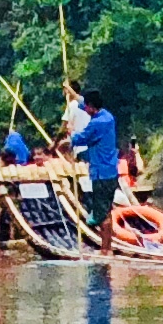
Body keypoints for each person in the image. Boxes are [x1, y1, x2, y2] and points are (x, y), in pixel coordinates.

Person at [69, 90, 126, 230]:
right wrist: (70, 92)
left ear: (91, 106)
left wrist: (70, 132)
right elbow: (83, 103)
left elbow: (80, 139)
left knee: (102, 214)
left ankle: (106, 250)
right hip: (111, 171)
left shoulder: (97, 123)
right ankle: (107, 247)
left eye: (86, 107)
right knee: (106, 209)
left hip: (101, 174)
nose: (85, 110)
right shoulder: (108, 116)